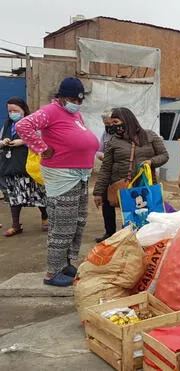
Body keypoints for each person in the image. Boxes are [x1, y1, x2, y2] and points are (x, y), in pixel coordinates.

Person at [16, 77, 100, 287]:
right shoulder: (50, 111)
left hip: (79, 176)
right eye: (73, 99)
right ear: (61, 97)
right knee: (62, 224)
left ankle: (66, 263)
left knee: (78, 222)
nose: (77, 103)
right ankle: (53, 272)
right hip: (62, 177)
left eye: (80, 100)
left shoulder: (75, 114)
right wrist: (42, 148)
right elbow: (23, 125)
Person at [93, 107, 169, 242]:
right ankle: (113, 235)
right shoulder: (114, 141)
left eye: (116, 122)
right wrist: (98, 192)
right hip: (121, 185)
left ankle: (147, 240)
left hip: (144, 185)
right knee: (124, 214)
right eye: (111, 124)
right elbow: (106, 168)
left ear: (126, 120)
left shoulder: (149, 136)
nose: (114, 126)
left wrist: (151, 162)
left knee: (145, 214)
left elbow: (164, 155)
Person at [0, 97, 48, 237]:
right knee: (14, 198)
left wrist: (24, 141)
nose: (12, 113)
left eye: (15, 110)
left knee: (38, 194)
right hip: (10, 167)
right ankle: (16, 226)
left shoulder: (32, 123)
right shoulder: (7, 125)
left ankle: (45, 218)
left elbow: (42, 140)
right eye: (10, 111)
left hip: (29, 167)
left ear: (23, 110)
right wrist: (4, 142)